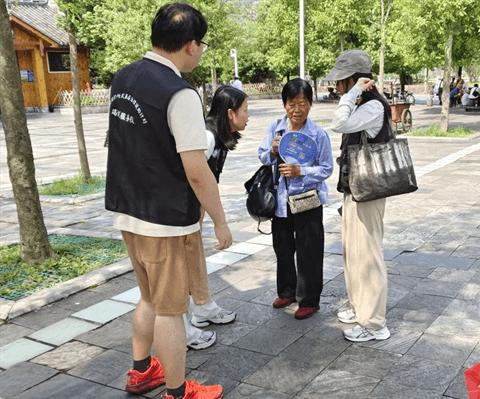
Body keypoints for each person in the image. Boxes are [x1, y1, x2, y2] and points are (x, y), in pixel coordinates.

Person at [105, 4, 232, 399]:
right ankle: (178, 393)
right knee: (170, 309)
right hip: (164, 219)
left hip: (128, 211)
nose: (202, 51)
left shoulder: (122, 77)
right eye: (203, 44)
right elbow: (197, 169)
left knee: (149, 297)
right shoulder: (180, 93)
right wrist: (220, 221)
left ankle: (142, 371)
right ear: (191, 45)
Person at [326, 49, 392, 342]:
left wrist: (351, 94)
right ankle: (359, 307)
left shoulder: (373, 105)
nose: (337, 85)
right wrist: (353, 94)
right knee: (352, 250)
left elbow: (339, 123)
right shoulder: (362, 101)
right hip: (354, 187)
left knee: (368, 254)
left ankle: (375, 323)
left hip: (369, 189)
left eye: (343, 80)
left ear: (357, 79)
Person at [257, 78, 333, 320]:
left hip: (307, 199)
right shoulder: (275, 129)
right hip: (280, 200)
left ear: (310, 104)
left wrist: (302, 171)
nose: (297, 109)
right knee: (283, 248)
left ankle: (309, 299)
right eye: (292, 103)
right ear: (284, 104)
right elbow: (262, 156)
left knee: (309, 249)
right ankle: (287, 291)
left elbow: (327, 168)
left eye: (302, 103)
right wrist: (271, 151)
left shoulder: (318, 134)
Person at [184, 85, 249, 346]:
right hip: (183, 207)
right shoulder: (208, 137)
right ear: (231, 114)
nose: (248, 116)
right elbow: (195, 176)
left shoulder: (217, 135)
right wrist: (219, 223)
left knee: (194, 254)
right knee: (181, 264)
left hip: (194, 206)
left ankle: (202, 306)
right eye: (245, 110)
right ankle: (185, 327)